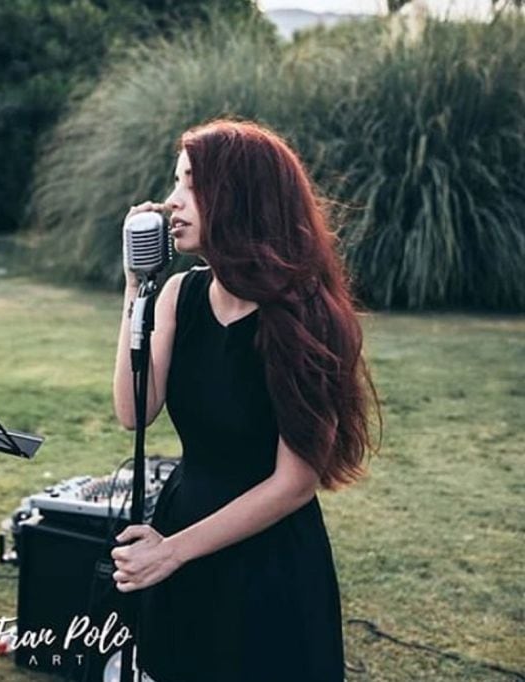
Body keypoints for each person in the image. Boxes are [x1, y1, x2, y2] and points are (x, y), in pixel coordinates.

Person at [110, 120, 378, 681]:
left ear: (236, 197)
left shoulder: (307, 317)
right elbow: (134, 411)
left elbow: (293, 482)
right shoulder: (179, 294)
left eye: (190, 185)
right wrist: (137, 289)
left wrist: (173, 551)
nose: (170, 202)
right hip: (182, 521)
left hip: (266, 556)